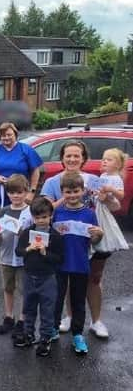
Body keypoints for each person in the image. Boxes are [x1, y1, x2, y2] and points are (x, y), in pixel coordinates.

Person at [40, 140, 100, 335]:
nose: (72, 159)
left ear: (83, 158)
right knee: (60, 286)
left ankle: (96, 322)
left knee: (92, 281)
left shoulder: (93, 180)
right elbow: (44, 212)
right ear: (62, 158)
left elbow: (109, 207)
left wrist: (108, 197)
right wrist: (65, 199)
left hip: (86, 237)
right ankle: (66, 319)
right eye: (68, 155)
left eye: (77, 155)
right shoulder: (51, 182)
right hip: (62, 242)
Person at [52, 173, 103, 355]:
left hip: (80, 264)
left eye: (76, 191)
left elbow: (94, 241)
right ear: (62, 192)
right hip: (59, 264)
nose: (72, 195)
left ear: (82, 191)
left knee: (78, 301)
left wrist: (99, 234)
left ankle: (77, 335)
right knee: (56, 299)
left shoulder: (89, 214)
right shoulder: (56, 212)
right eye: (68, 192)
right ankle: (53, 329)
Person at [14, 197, 63, 357]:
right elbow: (18, 251)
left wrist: (45, 253)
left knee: (47, 309)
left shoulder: (55, 236)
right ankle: (29, 334)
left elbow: (59, 258)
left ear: (51, 216)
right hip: (29, 276)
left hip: (47, 277)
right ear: (32, 217)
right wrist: (28, 249)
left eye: (44, 217)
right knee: (28, 307)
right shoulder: (27, 232)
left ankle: (45, 339)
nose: (41, 221)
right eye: (37, 217)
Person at [87, 148, 128, 338]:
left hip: (101, 218)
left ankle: (96, 320)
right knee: (73, 276)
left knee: (95, 275)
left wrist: (107, 196)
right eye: (103, 159)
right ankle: (70, 317)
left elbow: (117, 201)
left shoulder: (115, 179)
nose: (104, 162)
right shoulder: (101, 175)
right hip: (86, 221)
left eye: (108, 159)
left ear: (118, 164)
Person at [0, 174, 33, 338]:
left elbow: (33, 233)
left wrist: (22, 233)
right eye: (12, 193)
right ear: (8, 193)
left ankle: (23, 320)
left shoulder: (30, 212)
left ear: (26, 192)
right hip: (6, 256)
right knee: (8, 287)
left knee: (24, 289)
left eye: (19, 192)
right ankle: (9, 316)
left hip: (24, 257)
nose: (16, 196)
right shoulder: (3, 211)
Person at [0, 122, 43, 213]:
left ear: (15, 135)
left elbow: (35, 170)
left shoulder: (26, 149)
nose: (6, 137)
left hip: (21, 196)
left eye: (9, 135)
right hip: (0, 196)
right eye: (3, 135)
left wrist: (31, 192)